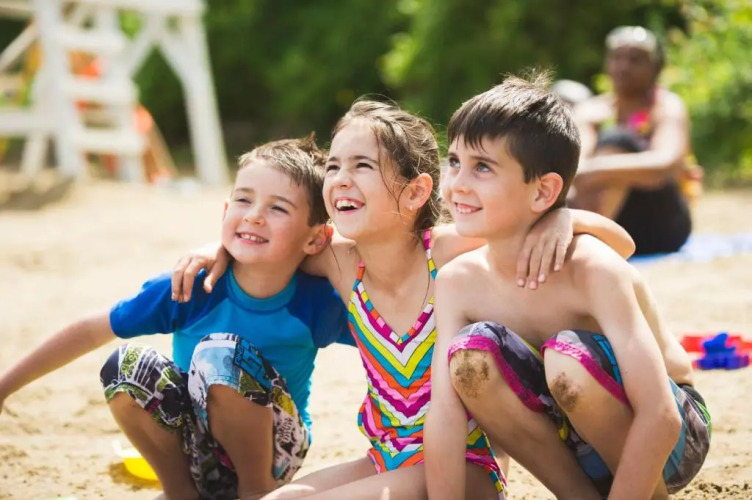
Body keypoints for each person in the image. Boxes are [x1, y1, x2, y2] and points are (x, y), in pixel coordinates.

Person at [172, 99, 637, 499]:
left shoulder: (448, 252)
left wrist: (564, 218)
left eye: (362, 166)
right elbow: (276, 241)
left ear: (415, 192)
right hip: (383, 458)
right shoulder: (337, 261)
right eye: (333, 166)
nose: (340, 179)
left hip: (466, 466)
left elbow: (622, 245)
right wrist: (218, 247)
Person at [0, 136, 353, 500]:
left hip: (275, 450)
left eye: (278, 208)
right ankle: (180, 492)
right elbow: (92, 330)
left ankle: (255, 491)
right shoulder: (192, 285)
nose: (253, 215)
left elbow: (382, 339)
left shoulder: (316, 302)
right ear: (226, 210)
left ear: (316, 239)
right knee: (127, 366)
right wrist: (4, 386)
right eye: (244, 200)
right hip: (194, 448)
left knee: (221, 354)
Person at [426, 74, 711, 500]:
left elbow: (661, 416)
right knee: (470, 357)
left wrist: (571, 218)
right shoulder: (457, 281)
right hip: (570, 435)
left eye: (482, 167)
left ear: (544, 191)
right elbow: (445, 415)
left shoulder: (592, 267)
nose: (458, 184)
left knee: (567, 358)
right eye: (454, 161)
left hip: (669, 439)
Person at [570, 26, 702, 255]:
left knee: (617, 139)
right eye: (617, 58)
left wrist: (594, 170)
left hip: (662, 226)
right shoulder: (591, 111)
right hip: (613, 222)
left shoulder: (667, 107)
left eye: (635, 59)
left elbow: (664, 165)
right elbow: (574, 166)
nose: (624, 66)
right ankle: (588, 237)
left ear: (655, 67)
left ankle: (588, 241)